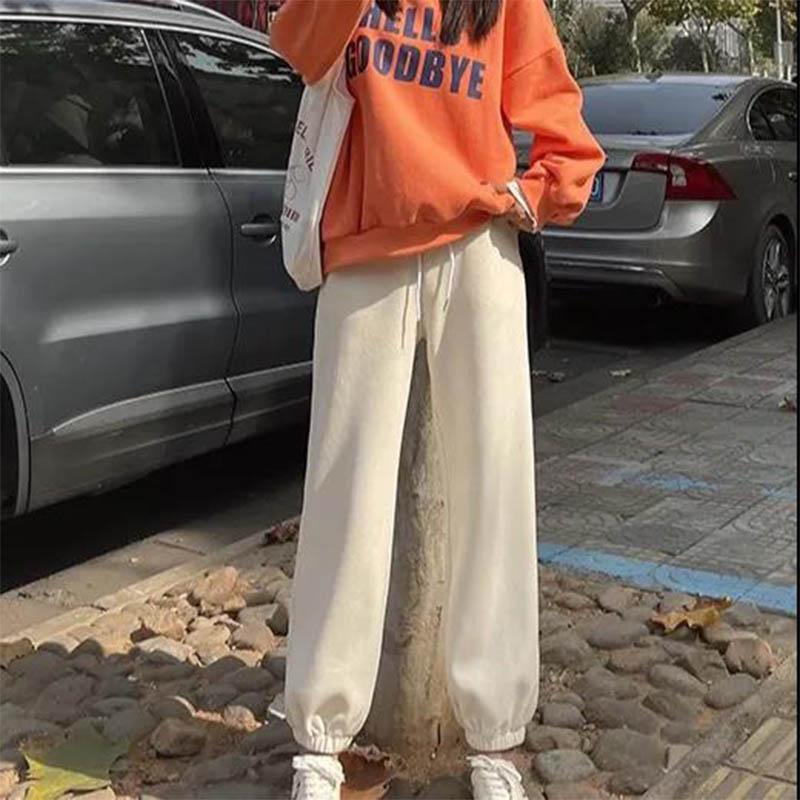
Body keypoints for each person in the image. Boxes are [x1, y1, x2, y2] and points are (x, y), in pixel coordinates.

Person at [271, 2, 604, 798]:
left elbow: (564, 128)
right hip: (363, 255)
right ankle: (319, 743)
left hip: (479, 247)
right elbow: (301, 46)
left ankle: (495, 741)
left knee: (494, 488)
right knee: (343, 492)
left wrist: (534, 193)